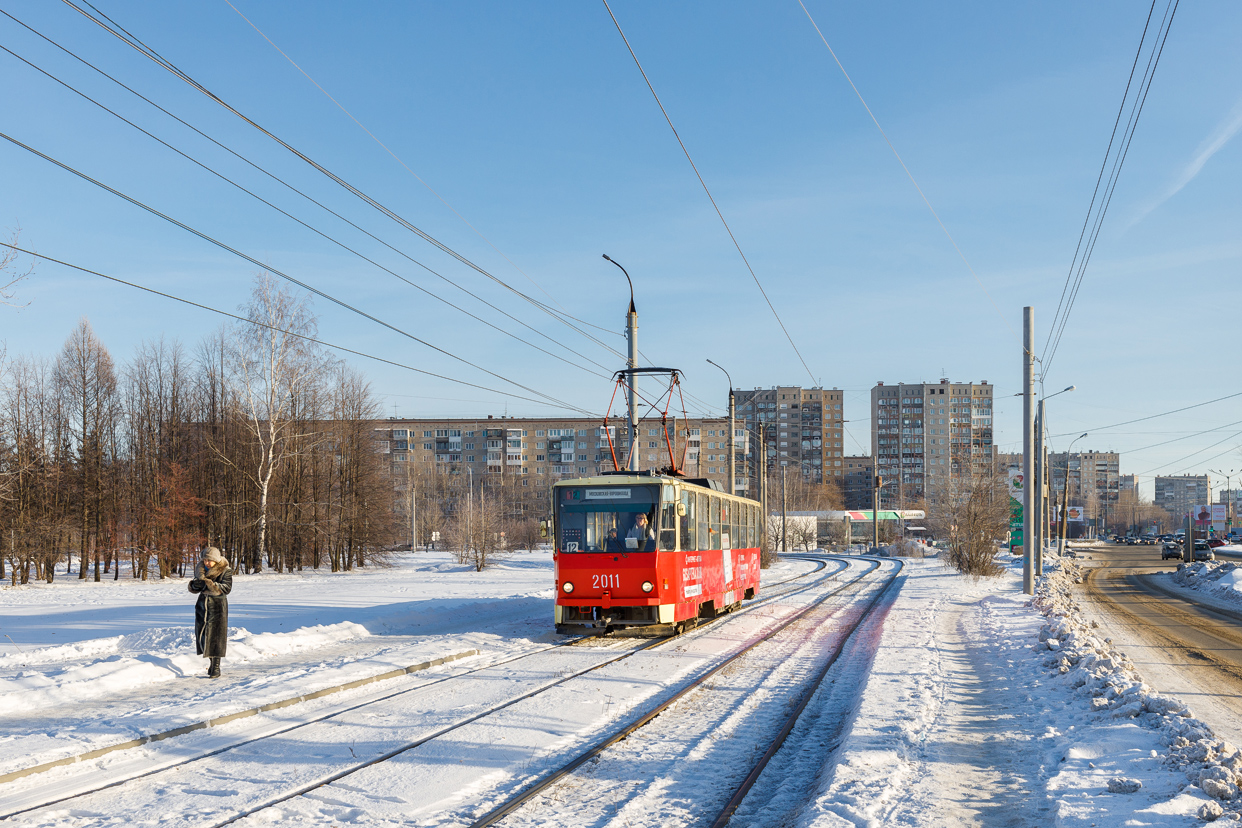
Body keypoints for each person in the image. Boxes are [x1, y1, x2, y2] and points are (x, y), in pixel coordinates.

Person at [188, 547, 233, 678]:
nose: (207, 563)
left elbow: (226, 588)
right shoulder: (200, 569)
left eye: (209, 560)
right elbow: (195, 587)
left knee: (216, 637)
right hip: (202, 606)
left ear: (216, 560)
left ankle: (216, 666)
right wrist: (194, 585)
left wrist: (208, 584)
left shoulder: (225, 570)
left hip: (218, 606)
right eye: (205, 560)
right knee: (203, 635)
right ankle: (211, 662)